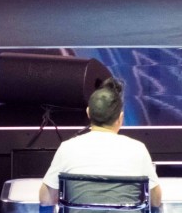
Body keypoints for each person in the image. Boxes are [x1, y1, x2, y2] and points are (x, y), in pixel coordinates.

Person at [38, 77, 162, 209]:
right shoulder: (138, 149)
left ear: (88, 113)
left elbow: (45, 199)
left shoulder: (67, 148)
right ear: (120, 118)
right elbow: (155, 201)